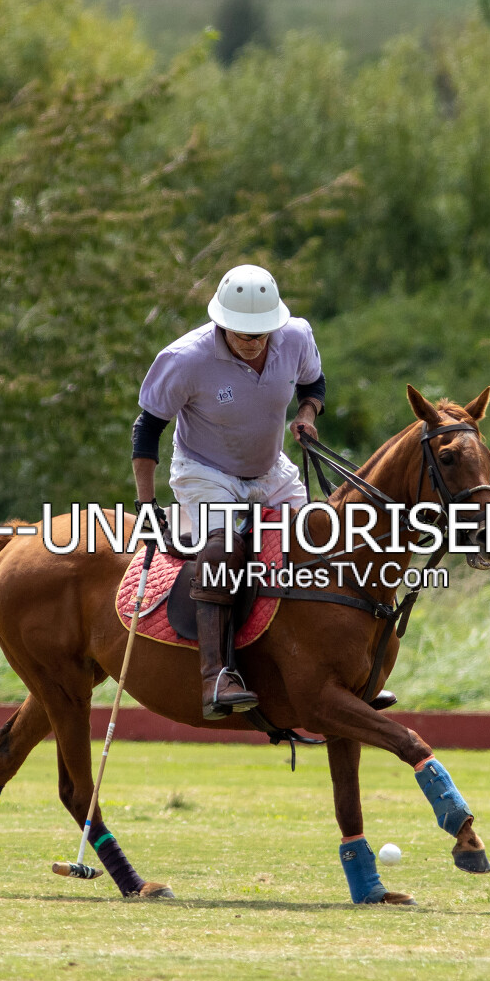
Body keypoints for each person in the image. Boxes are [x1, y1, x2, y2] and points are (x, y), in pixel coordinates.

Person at [131, 264, 323, 720]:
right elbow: (147, 430)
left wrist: (307, 414)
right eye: (242, 334)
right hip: (205, 471)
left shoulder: (295, 336)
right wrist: (146, 504)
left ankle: (332, 670)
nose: (253, 342)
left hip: (270, 468)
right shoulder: (185, 359)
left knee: (319, 541)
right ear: (221, 321)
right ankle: (216, 675)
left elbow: (313, 382)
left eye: (261, 333)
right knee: (223, 549)